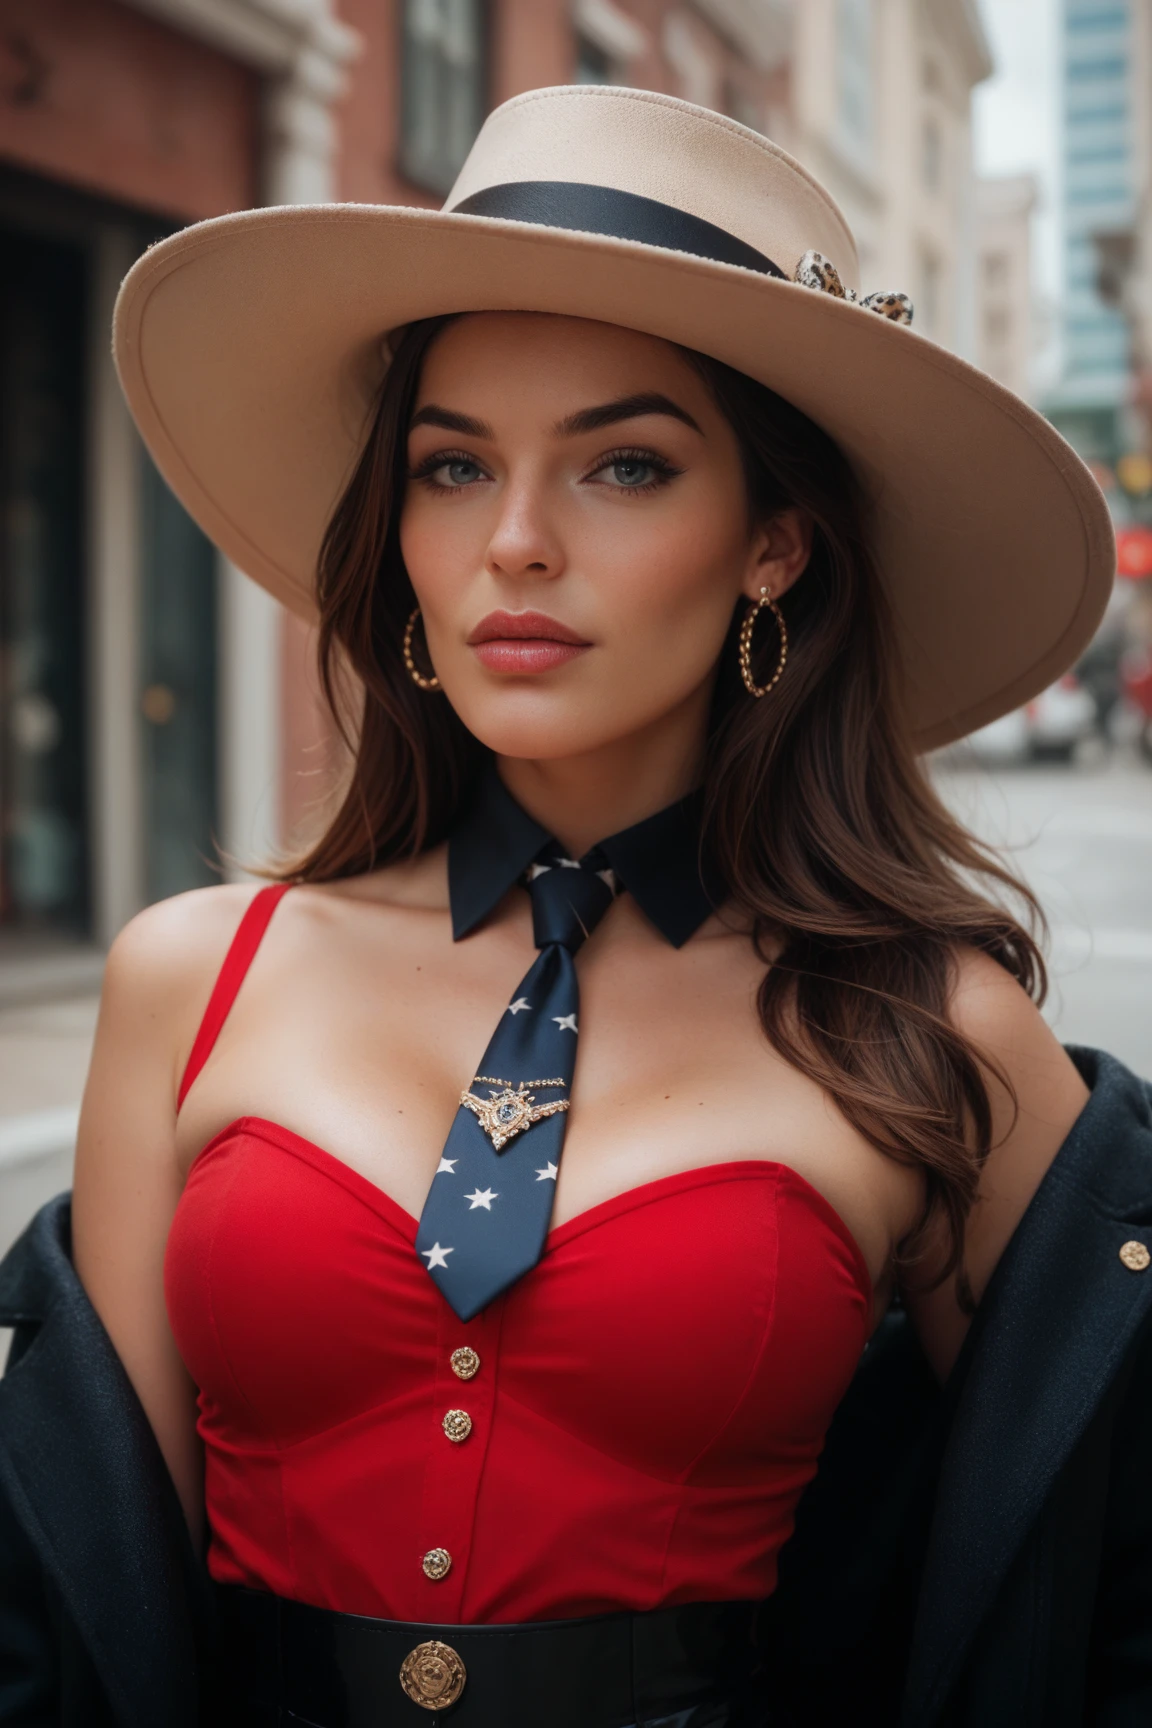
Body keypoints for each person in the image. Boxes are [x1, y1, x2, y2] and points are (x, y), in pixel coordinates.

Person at [1, 84, 1149, 1728]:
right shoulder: (194, 981)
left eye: (622, 464)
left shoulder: (929, 1027)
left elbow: (1095, 1570)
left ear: (773, 544)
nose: (515, 546)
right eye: (453, 466)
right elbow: (69, 1595)